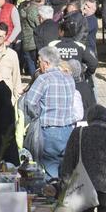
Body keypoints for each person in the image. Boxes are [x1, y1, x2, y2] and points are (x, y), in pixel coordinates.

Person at [60, 105, 106, 212]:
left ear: (89, 119)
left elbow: (67, 165)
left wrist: (65, 187)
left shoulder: (78, 134)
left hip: (81, 190)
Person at [23, 46, 79, 178]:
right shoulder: (69, 78)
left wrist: (37, 115)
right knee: (65, 171)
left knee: (50, 173)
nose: (38, 65)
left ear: (46, 63)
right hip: (68, 130)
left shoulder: (43, 79)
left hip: (49, 132)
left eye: (39, 62)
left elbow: (29, 102)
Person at [20, 0, 47, 75]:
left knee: (31, 66)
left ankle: (34, 81)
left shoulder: (26, 8)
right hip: (34, 42)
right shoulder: (34, 10)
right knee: (37, 67)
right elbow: (39, 26)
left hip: (26, 42)